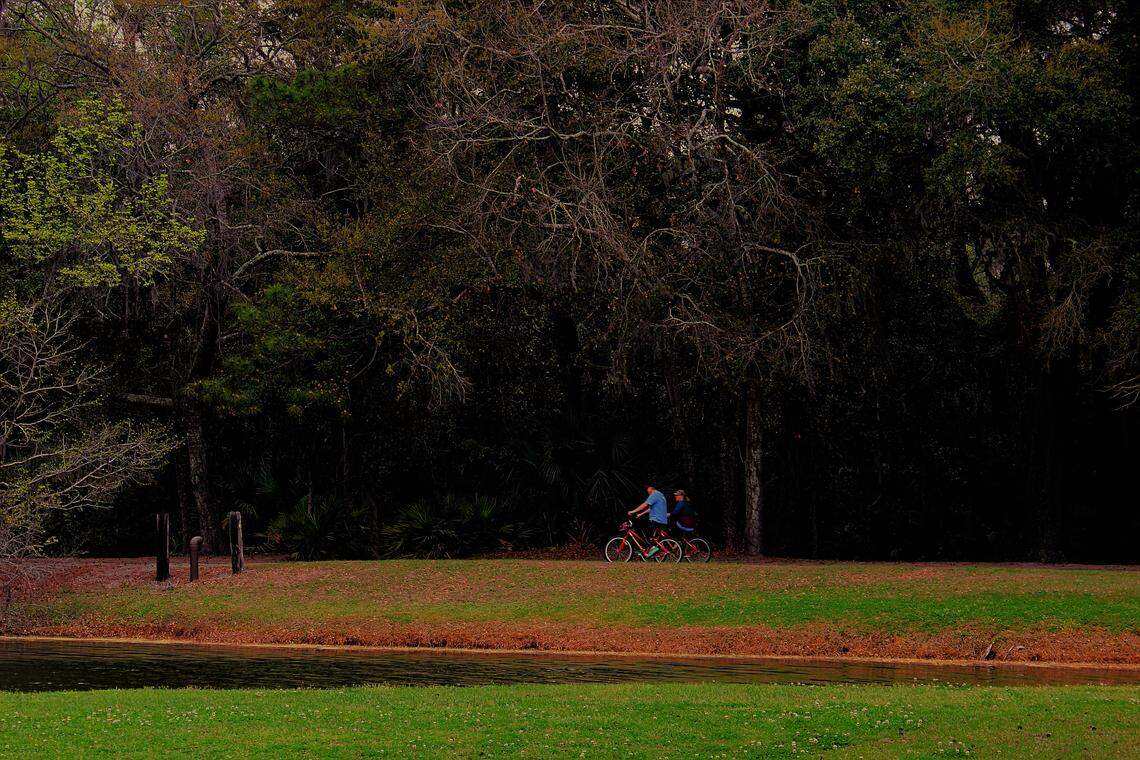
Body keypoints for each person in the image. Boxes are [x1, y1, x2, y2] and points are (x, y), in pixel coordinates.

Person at [628, 484, 669, 556]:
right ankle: (651, 549)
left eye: (647, 490)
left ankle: (651, 548)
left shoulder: (654, 494)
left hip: (656, 519)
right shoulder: (660, 494)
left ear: (650, 488)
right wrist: (640, 514)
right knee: (652, 536)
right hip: (662, 520)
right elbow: (651, 508)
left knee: (642, 529)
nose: (647, 492)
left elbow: (645, 504)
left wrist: (633, 511)